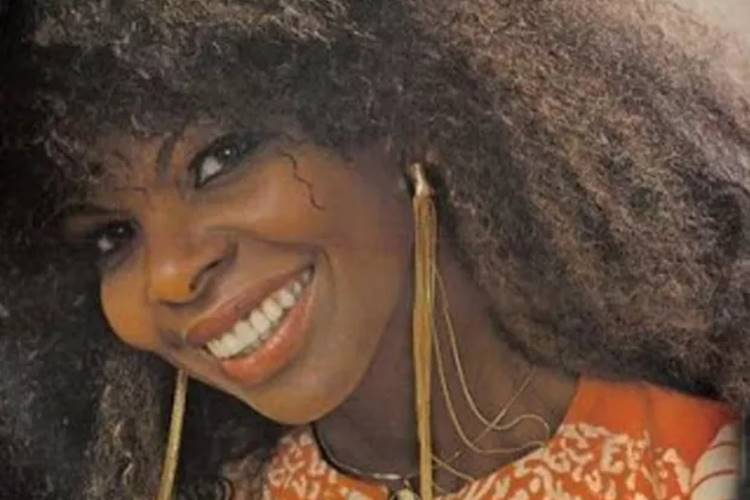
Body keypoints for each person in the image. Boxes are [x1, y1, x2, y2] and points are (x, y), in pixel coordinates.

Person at [2, 0, 749, 498]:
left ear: (405, 115)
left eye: (220, 160)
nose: (169, 274)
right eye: (114, 235)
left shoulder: (691, 469)